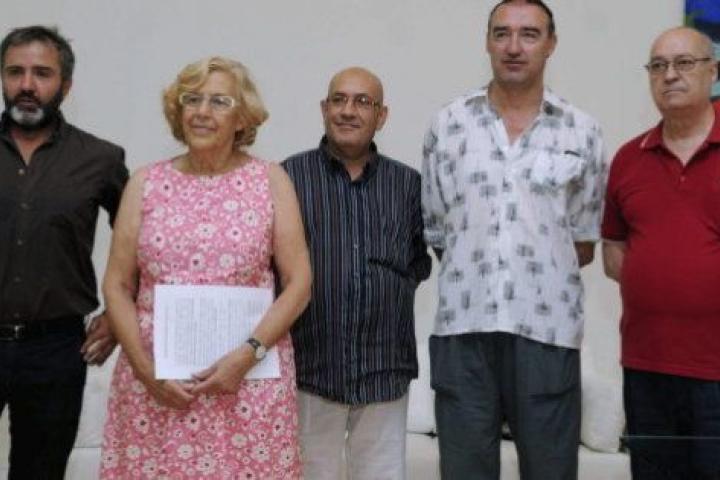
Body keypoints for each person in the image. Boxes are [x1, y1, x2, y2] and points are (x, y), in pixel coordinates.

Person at [99, 56, 311, 479]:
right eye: (191, 99)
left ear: (242, 117)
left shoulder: (270, 180)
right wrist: (145, 370)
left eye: (219, 101)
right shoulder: (144, 183)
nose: (201, 111)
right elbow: (117, 284)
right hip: (156, 387)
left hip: (248, 385)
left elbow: (299, 282)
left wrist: (247, 355)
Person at [421, 1, 606, 478]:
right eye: (501, 33)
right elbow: (438, 229)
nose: (514, 47)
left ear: (551, 43)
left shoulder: (582, 131)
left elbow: (583, 240)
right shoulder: (449, 124)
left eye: (529, 34)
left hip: (547, 334)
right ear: (487, 42)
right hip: (463, 332)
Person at [283, 66, 431, 480]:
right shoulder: (288, 178)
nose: (348, 111)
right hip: (311, 368)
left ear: (381, 116)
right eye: (339, 99)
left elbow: (417, 263)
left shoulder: (408, 185)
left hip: (384, 368)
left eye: (363, 102)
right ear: (324, 109)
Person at [0, 25, 127, 479]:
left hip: (55, 348)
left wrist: (119, 312)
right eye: (15, 72)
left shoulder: (101, 159)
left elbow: (143, 243)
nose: (27, 85)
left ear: (66, 85)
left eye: (42, 73)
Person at [602, 26, 720, 480]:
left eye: (684, 63)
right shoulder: (629, 158)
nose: (669, 75)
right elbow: (615, 254)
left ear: (713, 71)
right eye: (658, 66)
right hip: (646, 368)